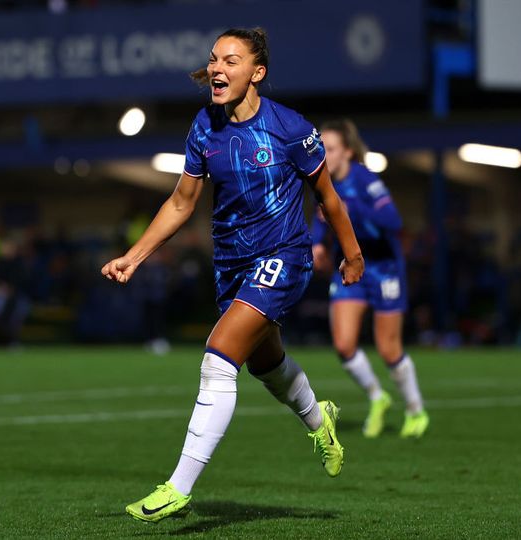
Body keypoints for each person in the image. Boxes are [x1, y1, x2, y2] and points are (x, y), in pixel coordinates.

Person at [101, 28, 364, 523]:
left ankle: (178, 487)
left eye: (231, 60)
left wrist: (351, 255)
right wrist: (134, 257)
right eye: (213, 60)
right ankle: (319, 419)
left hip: (284, 257)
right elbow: (182, 202)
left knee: (218, 360)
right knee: (267, 365)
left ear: (256, 72)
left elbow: (328, 197)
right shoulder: (204, 127)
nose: (218, 69)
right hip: (233, 267)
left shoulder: (291, 129)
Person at [311, 119, 428, 439]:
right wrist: (318, 243)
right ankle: (378, 397)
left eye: (330, 148)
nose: (324, 154)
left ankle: (416, 410)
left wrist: (352, 208)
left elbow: (393, 221)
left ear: (347, 152)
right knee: (344, 344)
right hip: (350, 267)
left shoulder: (365, 181)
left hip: (383, 268)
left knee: (389, 349)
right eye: (320, 147)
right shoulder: (323, 183)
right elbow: (321, 219)